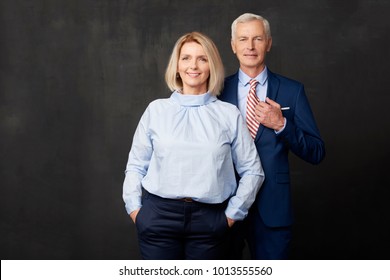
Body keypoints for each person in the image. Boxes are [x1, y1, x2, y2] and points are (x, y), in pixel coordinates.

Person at [122, 31, 265, 260]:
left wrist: (231, 214)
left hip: (210, 220)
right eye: (186, 58)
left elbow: (253, 171)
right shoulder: (156, 110)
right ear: (177, 65)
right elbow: (136, 166)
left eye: (202, 58)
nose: (193, 66)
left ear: (212, 66)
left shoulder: (228, 114)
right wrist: (135, 210)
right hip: (158, 217)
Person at [219, 13, 326, 259]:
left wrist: (282, 124)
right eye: (243, 39)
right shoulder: (217, 90)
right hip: (224, 207)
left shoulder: (292, 91)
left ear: (268, 43)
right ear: (233, 45)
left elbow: (317, 151)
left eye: (258, 38)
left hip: (273, 210)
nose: (250, 46)